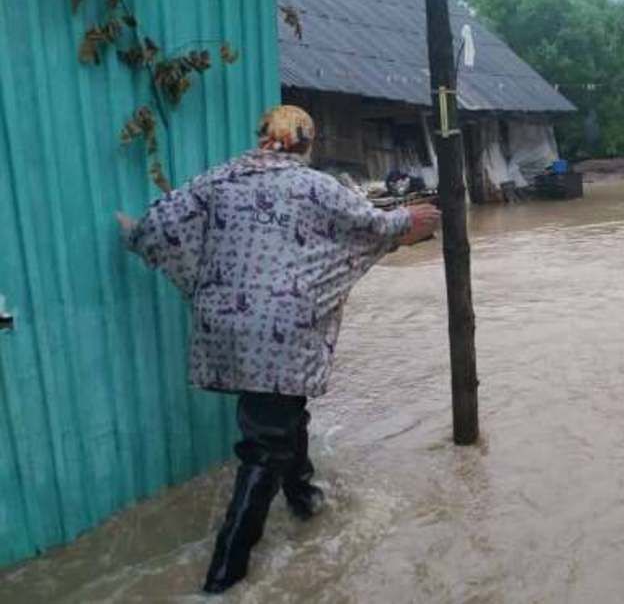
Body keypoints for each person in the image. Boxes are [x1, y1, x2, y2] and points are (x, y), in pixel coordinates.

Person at [116, 105, 439, 593]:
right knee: (265, 445)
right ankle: (224, 576)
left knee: (284, 412)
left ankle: (305, 498)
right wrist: (408, 218)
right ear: (305, 143)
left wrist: (135, 234)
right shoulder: (316, 186)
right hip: (282, 329)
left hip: (224, 323)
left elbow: (157, 225)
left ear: (262, 138)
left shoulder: (217, 179)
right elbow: (369, 225)